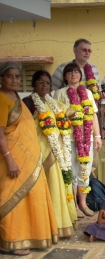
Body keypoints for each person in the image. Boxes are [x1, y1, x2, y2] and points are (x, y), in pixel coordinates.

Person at [0, 62, 57, 256]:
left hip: (29, 159)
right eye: (10, 76)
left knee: (29, 200)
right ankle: (10, 242)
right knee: (12, 199)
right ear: (1, 79)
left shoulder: (16, 97)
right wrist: (10, 161)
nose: (15, 80)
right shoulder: (1, 99)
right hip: (12, 159)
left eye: (17, 76)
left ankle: (28, 236)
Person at [22, 70, 77, 237]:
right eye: (41, 82)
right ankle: (44, 226)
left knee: (56, 186)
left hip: (55, 151)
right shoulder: (28, 102)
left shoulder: (52, 102)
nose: (44, 85)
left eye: (47, 83)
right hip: (37, 152)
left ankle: (58, 224)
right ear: (34, 84)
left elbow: (71, 111)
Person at [54, 62, 102, 218]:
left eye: (76, 72)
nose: (73, 74)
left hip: (86, 139)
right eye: (70, 72)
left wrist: (97, 136)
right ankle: (73, 204)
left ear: (81, 75)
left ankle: (83, 203)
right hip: (69, 138)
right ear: (65, 76)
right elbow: (57, 116)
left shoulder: (87, 92)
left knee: (85, 171)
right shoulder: (59, 93)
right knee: (71, 171)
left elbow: (93, 115)